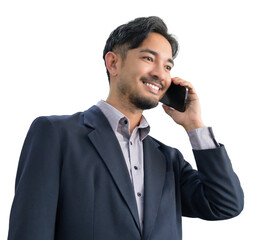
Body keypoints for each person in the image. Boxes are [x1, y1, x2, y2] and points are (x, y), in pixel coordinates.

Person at [7, 16, 244, 240]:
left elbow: (225, 204)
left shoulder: (168, 160)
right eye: (149, 59)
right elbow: (30, 230)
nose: (160, 74)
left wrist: (195, 126)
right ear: (113, 63)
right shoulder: (56, 134)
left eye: (168, 67)